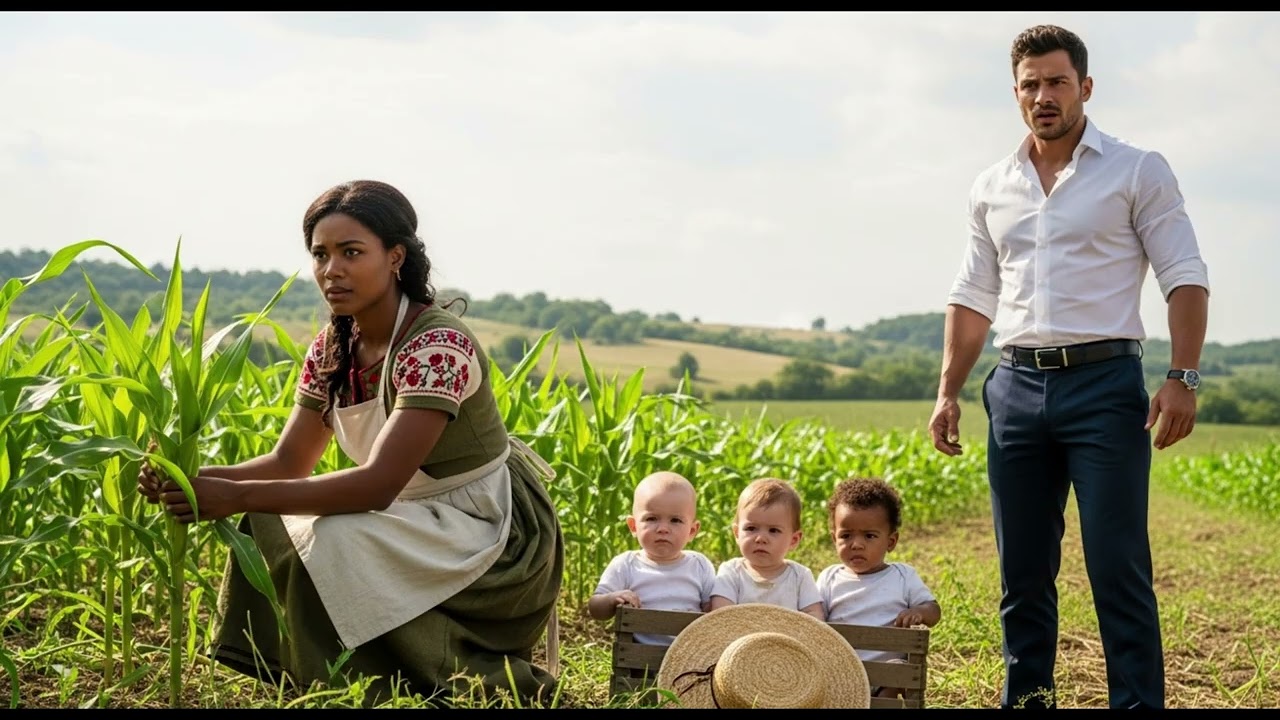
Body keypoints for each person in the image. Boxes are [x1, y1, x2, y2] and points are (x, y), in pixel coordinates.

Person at [138, 179, 565, 707]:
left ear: (395, 257)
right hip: (413, 516)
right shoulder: (334, 347)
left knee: (331, 537)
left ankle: (430, 682)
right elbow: (290, 461)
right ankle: (324, 679)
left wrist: (238, 495)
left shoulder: (437, 344)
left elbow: (378, 485)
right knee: (271, 522)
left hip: (490, 529)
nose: (331, 270)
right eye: (320, 254)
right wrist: (191, 480)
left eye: (351, 252)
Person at [928, 24, 1210, 710]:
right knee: (1022, 574)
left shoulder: (1137, 169)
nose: (1044, 96)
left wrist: (1183, 376)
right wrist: (948, 392)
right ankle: (1028, 702)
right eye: (1031, 85)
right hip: (1015, 390)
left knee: (1117, 567)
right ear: (1016, 93)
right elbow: (973, 296)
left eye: (1057, 82)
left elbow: (1186, 276)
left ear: (1085, 87)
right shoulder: (992, 185)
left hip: (1104, 386)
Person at [817, 477, 941, 700]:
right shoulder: (830, 578)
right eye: (846, 535)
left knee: (898, 668)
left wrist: (918, 612)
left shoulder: (903, 576)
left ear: (891, 542)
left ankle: (882, 701)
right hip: (842, 674)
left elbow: (934, 611)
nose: (856, 544)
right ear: (834, 538)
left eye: (870, 536)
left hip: (887, 675)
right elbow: (815, 618)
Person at [587, 471, 716, 646]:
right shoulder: (626, 564)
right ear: (633, 526)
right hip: (637, 659)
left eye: (675, 520)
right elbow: (595, 608)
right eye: (651, 518)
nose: (663, 528)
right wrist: (612, 598)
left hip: (689, 657)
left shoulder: (699, 565)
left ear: (692, 531)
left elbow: (713, 610)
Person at [709, 478, 824, 619]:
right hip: (739, 639)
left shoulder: (800, 577)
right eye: (751, 528)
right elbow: (721, 613)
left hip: (786, 639)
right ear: (737, 533)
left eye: (774, 530)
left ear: (793, 540)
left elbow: (814, 616)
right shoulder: (732, 572)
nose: (761, 538)